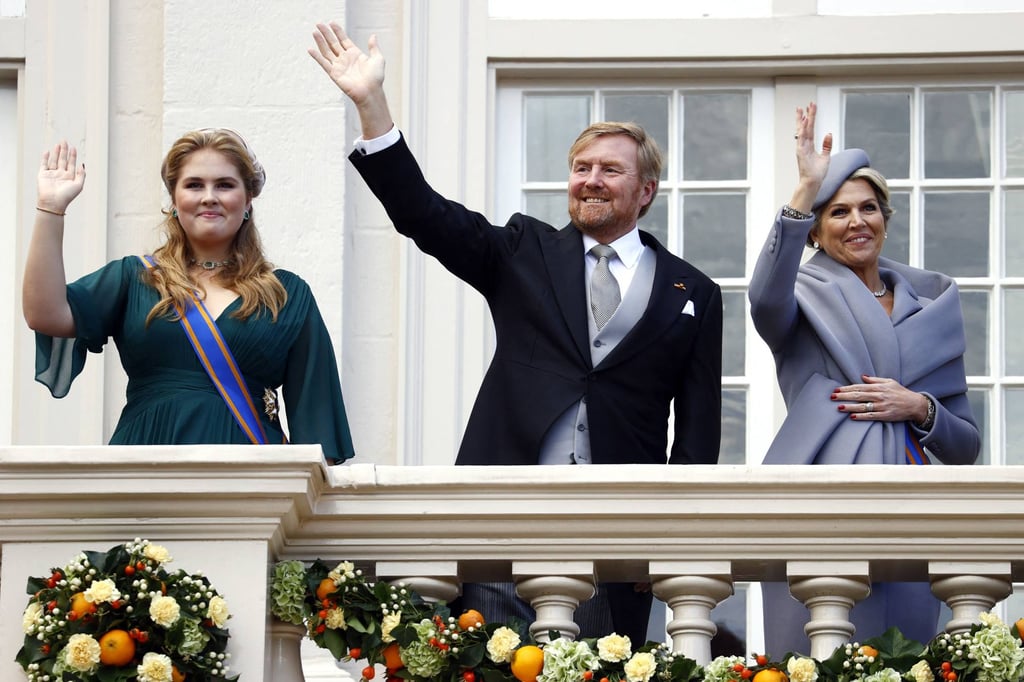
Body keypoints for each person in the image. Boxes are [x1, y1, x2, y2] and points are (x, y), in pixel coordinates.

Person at [308, 22, 722, 644]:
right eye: (581, 167)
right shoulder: (524, 250)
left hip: (615, 535)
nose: (590, 179)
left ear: (646, 190)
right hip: (501, 519)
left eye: (610, 169)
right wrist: (372, 106)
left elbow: (696, 436)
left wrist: (671, 534)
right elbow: (424, 213)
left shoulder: (694, 293)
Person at [749, 102, 979, 654]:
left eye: (868, 208)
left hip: (911, 503)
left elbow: (965, 446)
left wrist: (918, 407)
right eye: (838, 212)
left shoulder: (932, 309)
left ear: (885, 219)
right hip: (820, 497)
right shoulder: (799, 297)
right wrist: (805, 189)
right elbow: (764, 298)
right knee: (820, 652)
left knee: (902, 654)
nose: (857, 221)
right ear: (814, 232)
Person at [23, 129, 356, 464]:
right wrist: (50, 209)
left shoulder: (286, 294)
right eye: (194, 185)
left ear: (247, 201)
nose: (209, 197)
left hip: (251, 479)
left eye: (224, 185)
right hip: (144, 470)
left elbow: (319, 432)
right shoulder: (136, 278)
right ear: (174, 200)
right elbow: (45, 314)